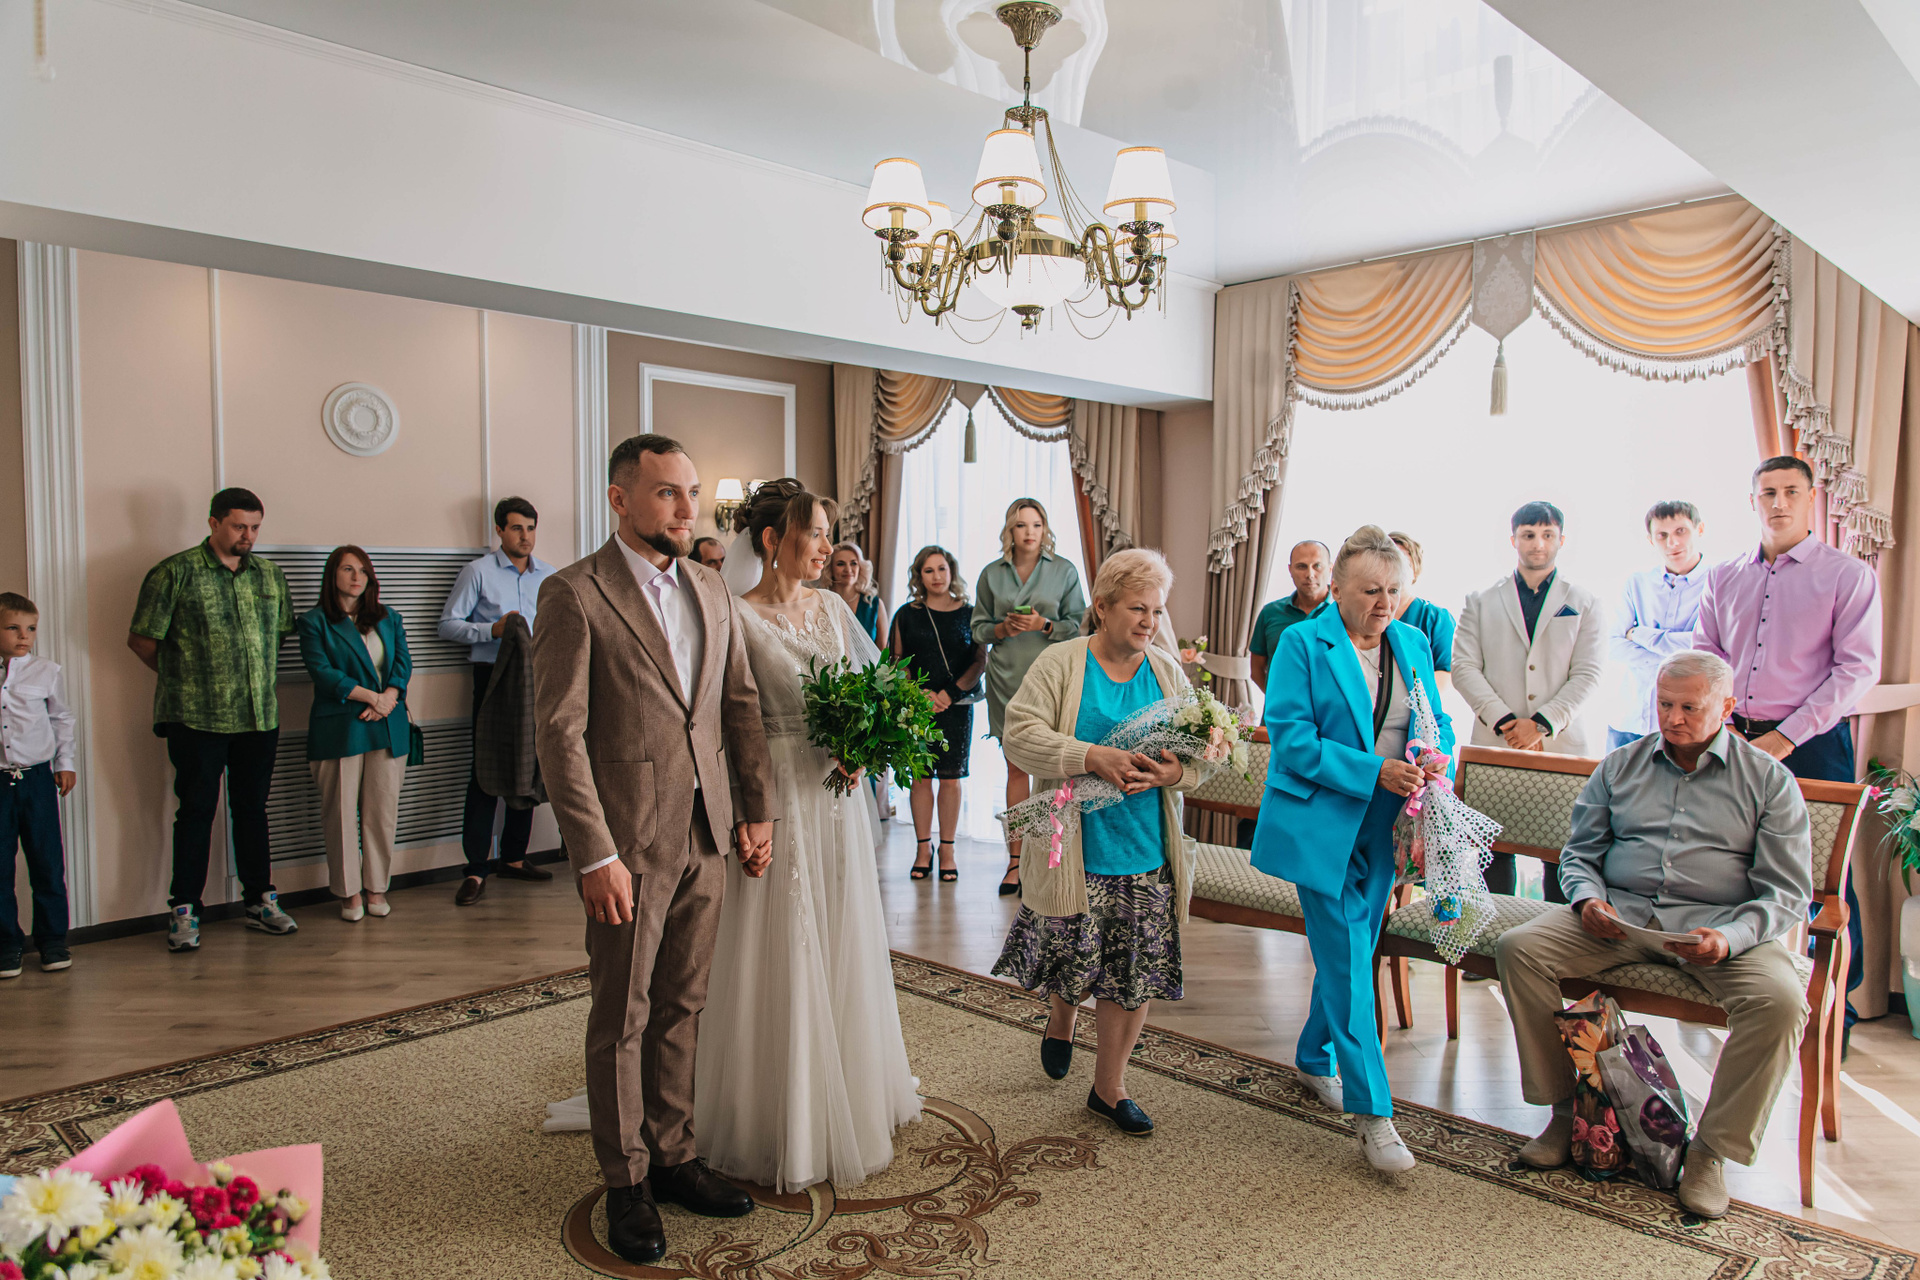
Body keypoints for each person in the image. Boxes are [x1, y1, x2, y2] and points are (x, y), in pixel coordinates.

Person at [532, 434, 776, 1266]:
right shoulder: (574, 594)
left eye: (692, 492)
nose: (686, 508)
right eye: (668, 492)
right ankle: (627, 1180)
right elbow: (560, 735)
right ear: (620, 498)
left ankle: (674, 1157)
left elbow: (738, 703)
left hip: (709, 830)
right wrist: (593, 853)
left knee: (683, 1004)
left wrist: (755, 809)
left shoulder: (711, 586)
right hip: (627, 841)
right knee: (624, 1014)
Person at [1497, 650, 1812, 1219]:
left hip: (1718, 932)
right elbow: (1580, 854)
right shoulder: (1620, 765)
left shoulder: (1769, 780)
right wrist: (1587, 898)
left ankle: (1711, 1152)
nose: (1673, 718)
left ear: (1727, 708)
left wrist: (1730, 938)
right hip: (1620, 919)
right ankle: (1568, 1114)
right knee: (1520, 949)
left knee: (1782, 1002)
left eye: (1690, 707)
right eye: (1665, 704)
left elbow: (1785, 893)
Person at [697, 478, 923, 1192]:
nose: (827, 547)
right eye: (815, 532)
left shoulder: (834, 608)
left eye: (830, 533)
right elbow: (723, 722)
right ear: (772, 539)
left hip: (837, 798)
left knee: (841, 927)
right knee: (783, 937)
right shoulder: (735, 617)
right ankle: (778, 1115)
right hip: (775, 794)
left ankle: (850, 1089)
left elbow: (880, 690)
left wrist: (866, 747)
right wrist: (745, 809)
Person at [1250, 527, 1451, 1173]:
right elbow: (1292, 739)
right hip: (1322, 823)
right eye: (1370, 591)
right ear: (1336, 588)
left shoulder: (1412, 641)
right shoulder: (1301, 643)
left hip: (1389, 826)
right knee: (1348, 962)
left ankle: (1313, 1058)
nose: (1384, 603)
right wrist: (1374, 771)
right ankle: (1374, 1113)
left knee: (1352, 952)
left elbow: (1438, 722)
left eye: (1394, 590)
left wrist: (1436, 757)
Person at [992, 548, 1199, 1137]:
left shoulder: (1167, 671)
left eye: (1157, 611)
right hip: (1072, 851)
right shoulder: (1060, 662)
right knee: (1072, 959)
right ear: (1102, 608)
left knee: (1131, 975)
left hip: (1145, 850)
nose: (1149, 622)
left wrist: (1176, 773)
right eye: (1138, 609)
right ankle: (1062, 1018)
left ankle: (1110, 1087)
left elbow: (1203, 752)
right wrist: (1089, 756)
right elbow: (1019, 735)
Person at [1694, 455, 1880, 1030]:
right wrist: (1720, 728)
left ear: (1810, 498)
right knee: (1728, 865)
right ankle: (1736, 991)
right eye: (1768, 492)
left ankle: (1835, 1009)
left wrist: (1785, 736)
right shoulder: (1723, 575)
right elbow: (1706, 656)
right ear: (1752, 501)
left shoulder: (1847, 575)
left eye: (1791, 492)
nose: (1779, 503)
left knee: (1825, 879)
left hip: (1814, 744)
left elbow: (1856, 670)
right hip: (1732, 740)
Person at [128, 487, 298, 952]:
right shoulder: (174, 573)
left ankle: (260, 901)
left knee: (252, 809)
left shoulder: (269, 575)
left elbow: (281, 634)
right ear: (214, 523)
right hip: (195, 718)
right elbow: (142, 640)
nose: (249, 536)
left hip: (259, 716)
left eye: (255, 527)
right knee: (196, 812)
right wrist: (186, 679)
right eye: (240, 526)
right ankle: (185, 909)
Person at [1452, 500, 1605, 901]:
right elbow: (1463, 667)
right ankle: (1490, 939)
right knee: (1493, 854)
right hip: (1495, 742)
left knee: (1560, 855)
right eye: (1529, 535)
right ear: (1513, 539)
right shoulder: (1481, 600)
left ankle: (1555, 941)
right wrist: (1506, 722)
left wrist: (1540, 724)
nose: (1538, 543)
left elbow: (1588, 674)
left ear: (1561, 540)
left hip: (1561, 746)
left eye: (1547, 535)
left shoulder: (1585, 601)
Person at [439, 496, 558, 905]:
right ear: (500, 530)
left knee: (528, 766)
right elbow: (447, 625)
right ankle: (476, 868)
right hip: (492, 676)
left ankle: (513, 858)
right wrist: (492, 630)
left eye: (531, 528)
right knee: (485, 771)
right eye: (517, 528)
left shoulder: (550, 576)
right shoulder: (478, 572)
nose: (525, 536)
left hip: (535, 678)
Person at [972, 498, 1087, 896]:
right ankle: (1015, 861)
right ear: (1011, 530)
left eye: (1036, 524)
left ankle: (1054, 859)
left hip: (1054, 679)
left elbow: (1079, 625)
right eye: (1021, 525)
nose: (1029, 532)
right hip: (1006, 679)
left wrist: (1045, 624)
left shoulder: (1065, 571)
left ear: (1045, 529)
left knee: (1056, 771)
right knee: (1016, 769)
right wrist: (1003, 628)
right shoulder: (992, 574)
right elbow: (977, 629)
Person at [296, 547, 413, 923]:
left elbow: (402, 663)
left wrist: (388, 698)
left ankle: (377, 887)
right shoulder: (314, 621)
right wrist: (371, 697)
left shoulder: (389, 617)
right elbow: (322, 672)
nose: (356, 577)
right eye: (347, 569)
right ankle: (349, 893)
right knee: (341, 815)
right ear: (333, 575)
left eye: (362, 570)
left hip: (387, 724)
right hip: (340, 727)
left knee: (382, 814)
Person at [890, 546, 986, 883]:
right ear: (919, 576)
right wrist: (918, 694)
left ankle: (947, 850)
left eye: (942, 569)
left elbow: (979, 660)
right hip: (916, 708)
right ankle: (922, 849)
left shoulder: (970, 613)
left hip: (956, 708)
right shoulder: (906, 614)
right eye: (928, 570)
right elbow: (895, 660)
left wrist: (949, 693)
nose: (936, 576)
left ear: (951, 571)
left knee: (950, 778)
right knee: (920, 777)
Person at [0, 594, 76, 978]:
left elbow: (62, 719)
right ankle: (6, 944)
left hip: (37, 780)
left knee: (46, 861)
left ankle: (52, 940)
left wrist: (65, 764)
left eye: (30, 628)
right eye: (13, 628)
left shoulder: (46, 671)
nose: (23, 636)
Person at [1607, 501, 1709, 752]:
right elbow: (1613, 645)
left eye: (1680, 531)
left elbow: (1705, 648)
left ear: (1699, 530)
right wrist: (1679, 658)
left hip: (1689, 726)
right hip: (1630, 720)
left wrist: (1640, 634)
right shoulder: (1636, 583)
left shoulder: (1718, 583)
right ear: (1651, 540)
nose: (1672, 543)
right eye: (1662, 535)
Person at [1249, 540, 1331, 691]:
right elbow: (1256, 670)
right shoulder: (1270, 612)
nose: (1310, 574)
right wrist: (1278, 699)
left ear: (1330, 568)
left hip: (1330, 706)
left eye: (1317, 566)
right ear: (1290, 570)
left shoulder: (1344, 612)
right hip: (1279, 705)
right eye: (1301, 566)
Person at [1388, 532, 1455, 692]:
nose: (1395, 569)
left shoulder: (1437, 618)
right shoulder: (1368, 615)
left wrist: (1411, 700)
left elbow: (1445, 673)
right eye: (1389, 561)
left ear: (1415, 571)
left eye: (1403, 563)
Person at [823, 540, 886, 649]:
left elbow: (883, 650)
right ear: (830, 568)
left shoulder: (875, 604)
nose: (848, 569)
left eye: (853, 563)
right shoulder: (822, 602)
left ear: (860, 567)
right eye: (840, 564)